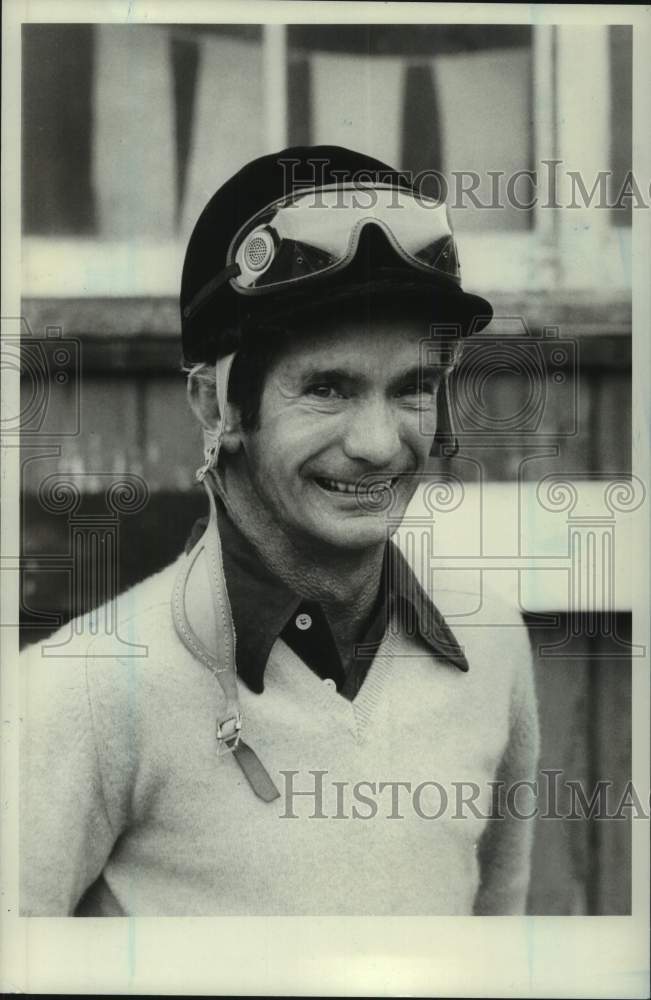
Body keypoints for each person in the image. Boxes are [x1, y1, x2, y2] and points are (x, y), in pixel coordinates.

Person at [20, 145, 539, 916]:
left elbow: (497, 943)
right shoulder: (81, 691)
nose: (376, 441)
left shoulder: (491, 644)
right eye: (327, 388)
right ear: (213, 407)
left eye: (413, 388)